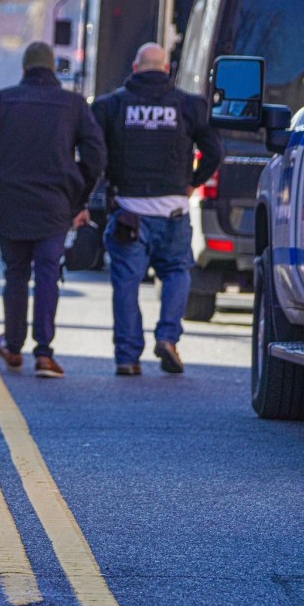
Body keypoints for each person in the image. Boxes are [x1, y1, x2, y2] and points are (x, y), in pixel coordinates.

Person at [0, 41, 106, 378]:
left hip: (11, 202)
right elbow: (96, 155)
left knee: (15, 275)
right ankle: (44, 353)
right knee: (47, 275)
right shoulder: (73, 104)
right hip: (56, 205)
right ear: (53, 69)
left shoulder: (4, 99)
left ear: (24, 69)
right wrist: (79, 195)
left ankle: (13, 347)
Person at [91, 42, 223, 376]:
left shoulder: (111, 106)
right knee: (177, 273)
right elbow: (214, 152)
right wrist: (193, 181)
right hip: (174, 212)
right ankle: (167, 337)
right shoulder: (190, 106)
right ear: (167, 70)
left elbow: (94, 154)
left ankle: (127, 357)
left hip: (128, 213)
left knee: (126, 283)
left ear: (135, 69)